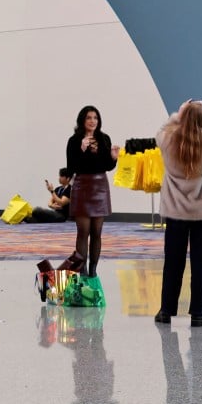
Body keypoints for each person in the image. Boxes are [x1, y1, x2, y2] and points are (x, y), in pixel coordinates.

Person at [153, 99, 202, 327]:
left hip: (175, 212)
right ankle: (198, 313)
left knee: (173, 261)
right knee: (200, 262)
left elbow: (160, 132)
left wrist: (178, 114)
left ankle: (166, 310)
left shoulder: (169, 140)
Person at [65, 105, 119, 278]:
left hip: (100, 187)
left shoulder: (104, 139)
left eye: (95, 118)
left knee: (97, 232)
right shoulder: (74, 140)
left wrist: (113, 158)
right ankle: (82, 270)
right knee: (83, 232)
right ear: (82, 120)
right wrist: (81, 149)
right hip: (82, 186)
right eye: (89, 118)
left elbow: (106, 166)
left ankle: (93, 269)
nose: (92, 121)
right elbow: (71, 167)